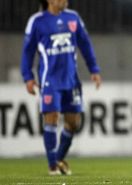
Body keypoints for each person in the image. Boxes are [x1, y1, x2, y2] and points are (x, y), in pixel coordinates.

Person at [21, 0, 101, 175]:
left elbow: (85, 44)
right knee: (52, 118)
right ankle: (52, 167)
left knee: (73, 123)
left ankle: (58, 158)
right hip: (50, 80)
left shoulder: (73, 18)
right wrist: (28, 77)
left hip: (71, 80)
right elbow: (27, 51)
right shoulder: (37, 21)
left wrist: (94, 69)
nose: (65, 0)